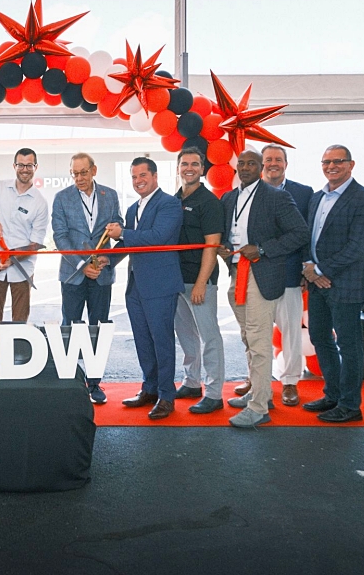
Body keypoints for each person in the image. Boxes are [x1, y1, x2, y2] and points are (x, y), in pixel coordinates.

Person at [219, 150, 309, 428]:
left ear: (260, 168)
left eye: (251, 163)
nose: (245, 167)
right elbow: (229, 232)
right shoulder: (229, 198)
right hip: (237, 274)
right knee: (248, 336)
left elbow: (300, 233)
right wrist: (225, 248)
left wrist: (262, 249)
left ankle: (258, 408)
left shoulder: (276, 197)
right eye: (241, 163)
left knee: (258, 340)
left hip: (261, 274)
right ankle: (261, 392)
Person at [301, 145, 364, 423]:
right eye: (326, 161)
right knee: (320, 338)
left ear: (351, 164)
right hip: (316, 283)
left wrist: (320, 269)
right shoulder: (316, 197)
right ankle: (333, 395)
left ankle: (350, 405)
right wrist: (309, 268)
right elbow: (307, 237)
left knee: (348, 345)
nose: (331, 166)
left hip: (346, 284)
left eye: (338, 161)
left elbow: (358, 247)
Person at [106, 157, 183, 420]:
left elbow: (158, 237)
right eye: (134, 176)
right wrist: (106, 259)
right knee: (142, 340)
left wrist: (122, 233)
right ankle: (149, 388)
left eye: (143, 175)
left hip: (161, 285)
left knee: (162, 341)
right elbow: (129, 244)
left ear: (155, 176)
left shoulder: (169, 204)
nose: (138, 181)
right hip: (136, 285)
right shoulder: (132, 209)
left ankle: (166, 396)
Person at [51, 152, 122, 405]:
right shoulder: (62, 198)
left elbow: (118, 226)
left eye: (83, 172)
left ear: (94, 170)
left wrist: (108, 256)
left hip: (102, 275)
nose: (79, 178)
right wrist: (82, 266)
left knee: (98, 328)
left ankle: (94, 383)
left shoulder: (110, 195)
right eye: (75, 173)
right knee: (70, 327)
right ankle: (69, 382)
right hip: (73, 274)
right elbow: (60, 237)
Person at [172, 147, 226, 414]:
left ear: (203, 169)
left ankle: (214, 393)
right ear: (178, 168)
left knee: (209, 336)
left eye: (195, 164)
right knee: (186, 335)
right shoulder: (174, 199)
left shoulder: (209, 202)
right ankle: (192, 382)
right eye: (185, 164)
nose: (189, 168)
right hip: (176, 280)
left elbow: (212, 246)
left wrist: (202, 283)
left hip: (199, 281)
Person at [261, 144, 313, 406]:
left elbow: (308, 233)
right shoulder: (249, 192)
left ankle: (290, 382)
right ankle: (255, 380)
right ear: (262, 164)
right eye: (268, 159)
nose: (273, 163)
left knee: (291, 330)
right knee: (255, 331)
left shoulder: (304, 193)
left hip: (290, 272)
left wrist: (306, 266)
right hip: (256, 273)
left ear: (286, 164)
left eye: (278, 159)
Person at [0, 148, 49, 325]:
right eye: (21, 165)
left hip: (22, 270)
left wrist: (11, 259)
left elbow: (35, 244)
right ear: (14, 166)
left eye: (29, 165)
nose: (25, 169)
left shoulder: (40, 202)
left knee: (20, 323)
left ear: (36, 167)